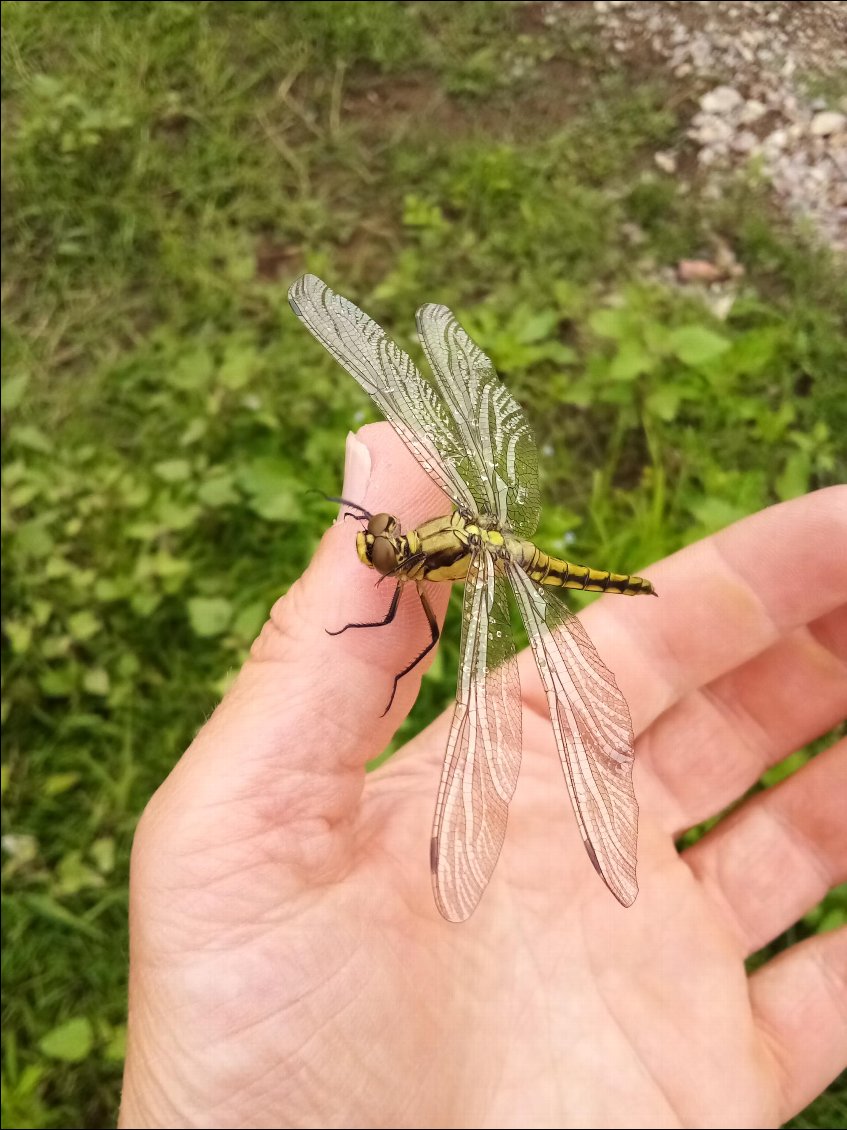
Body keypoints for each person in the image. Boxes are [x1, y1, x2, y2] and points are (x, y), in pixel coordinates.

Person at [119, 423, 846, 1129]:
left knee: (430, 645)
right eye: (382, 547)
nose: (382, 555)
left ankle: (620, 583)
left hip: (507, 557)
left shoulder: (425, 572)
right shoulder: (414, 555)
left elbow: (411, 638)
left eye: (385, 549)